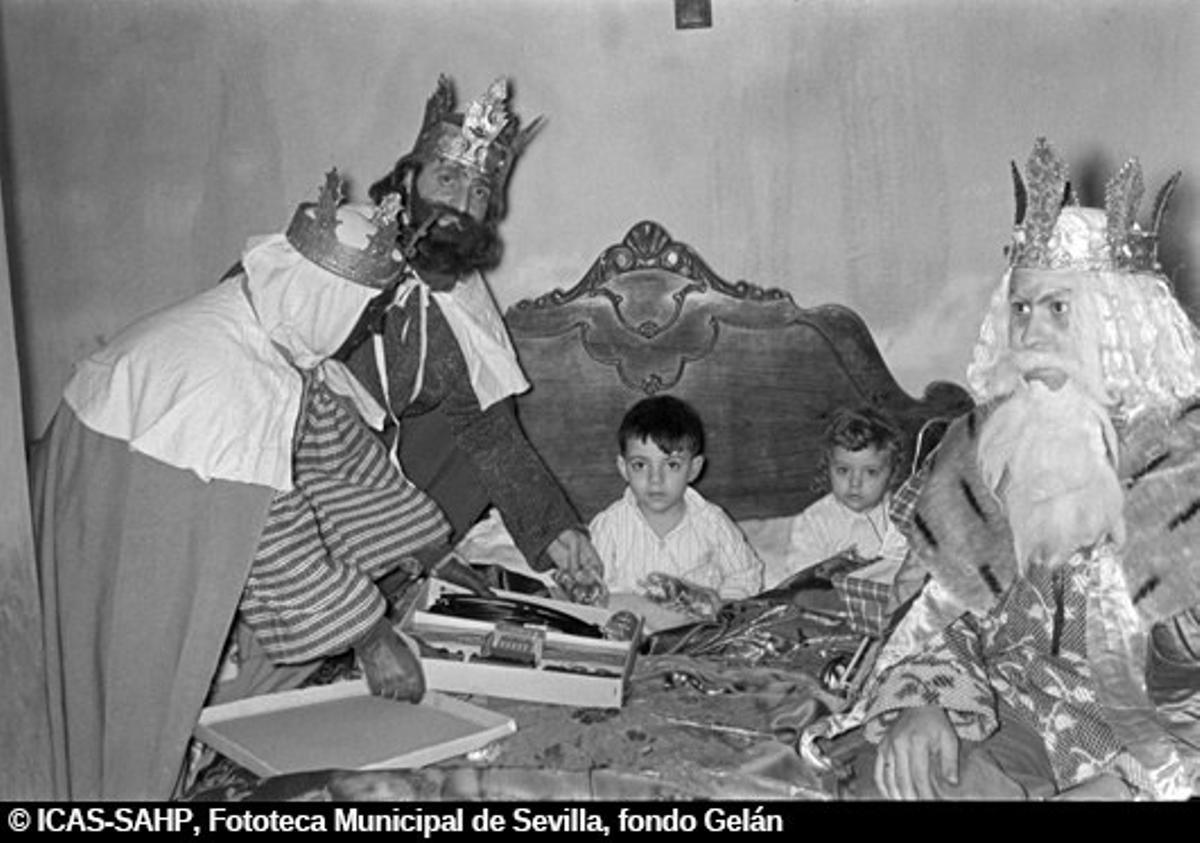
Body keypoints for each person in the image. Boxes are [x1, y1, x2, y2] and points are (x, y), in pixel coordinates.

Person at [28, 170, 466, 800]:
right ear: (326, 297)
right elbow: (275, 550)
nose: (369, 329)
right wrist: (373, 638)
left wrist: (424, 547)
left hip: (113, 491)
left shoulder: (262, 322)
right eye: (367, 313)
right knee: (140, 693)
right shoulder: (239, 379)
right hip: (126, 517)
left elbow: (331, 449)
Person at [804, 138, 1200, 801]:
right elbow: (933, 612)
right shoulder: (981, 454)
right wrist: (923, 704)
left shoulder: (1184, 473)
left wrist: (1124, 786)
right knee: (894, 778)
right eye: (1022, 309)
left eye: (1061, 310)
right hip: (1008, 710)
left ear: (1125, 327)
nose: (1035, 336)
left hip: (1156, 740)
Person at [332, 75, 606, 605]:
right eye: (447, 178)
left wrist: (557, 534)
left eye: (478, 191)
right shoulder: (345, 245)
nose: (461, 202)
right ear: (408, 182)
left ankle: (389, 585)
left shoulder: (459, 294)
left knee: (471, 421)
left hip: (379, 505)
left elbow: (488, 432)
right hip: (293, 481)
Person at [588, 395, 765, 607]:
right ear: (623, 467)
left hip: (699, 632)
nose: (655, 480)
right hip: (632, 631)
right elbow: (593, 590)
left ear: (694, 468)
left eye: (672, 465)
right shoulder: (609, 526)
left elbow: (746, 574)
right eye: (640, 465)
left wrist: (723, 605)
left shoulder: (713, 522)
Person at [784, 405, 909, 576]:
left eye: (871, 472)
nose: (854, 483)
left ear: (892, 474)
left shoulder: (901, 516)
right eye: (843, 470)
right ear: (828, 469)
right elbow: (802, 579)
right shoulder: (814, 522)